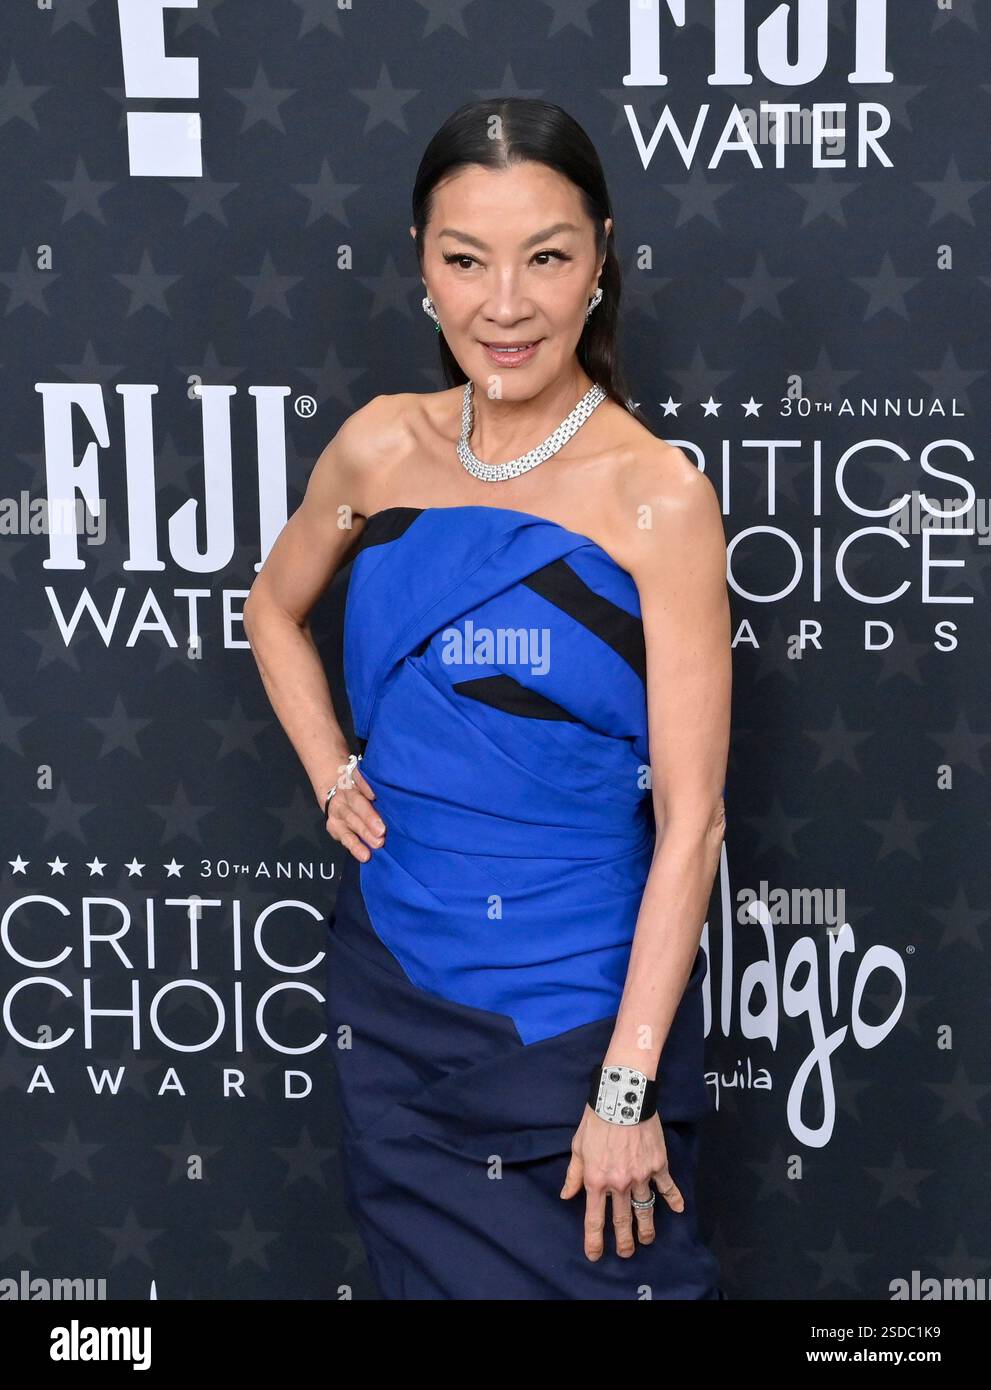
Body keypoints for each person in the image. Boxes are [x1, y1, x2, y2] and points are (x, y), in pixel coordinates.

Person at [243, 97, 731, 1300]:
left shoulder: (655, 494)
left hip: (574, 1020)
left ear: (601, 261)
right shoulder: (377, 448)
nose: (503, 304)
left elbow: (694, 827)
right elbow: (269, 607)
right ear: (421, 263)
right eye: (464, 260)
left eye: (547, 258)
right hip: (397, 991)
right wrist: (329, 769)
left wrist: (625, 1090)